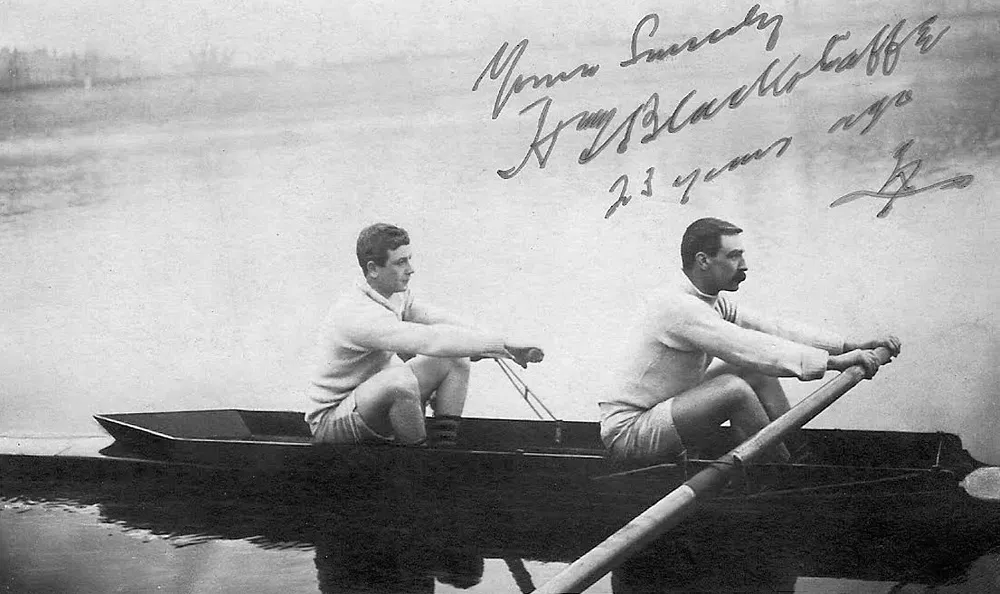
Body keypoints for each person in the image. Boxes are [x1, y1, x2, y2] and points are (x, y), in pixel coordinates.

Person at [599, 217, 901, 463]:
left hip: (666, 413)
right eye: (733, 256)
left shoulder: (708, 301)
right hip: (629, 433)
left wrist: (850, 346)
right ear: (703, 260)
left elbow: (771, 329)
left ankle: (799, 458)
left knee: (754, 374)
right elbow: (749, 348)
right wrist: (835, 364)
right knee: (734, 389)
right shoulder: (677, 307)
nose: (744, 266)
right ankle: (781, 475)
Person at [306, 223, 544, 447]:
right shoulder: (357, 313)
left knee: (454, 359)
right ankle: (423, 467)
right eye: (400, 262)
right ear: (373, 269)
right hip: (332, 420)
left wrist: (503, 344)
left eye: (409, 259)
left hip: (369, 402)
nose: (411, 269)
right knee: (400, 382)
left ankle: (443, 451)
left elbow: (441, 321)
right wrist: (494, 346)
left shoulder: (395, 295)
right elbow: (431, 340)